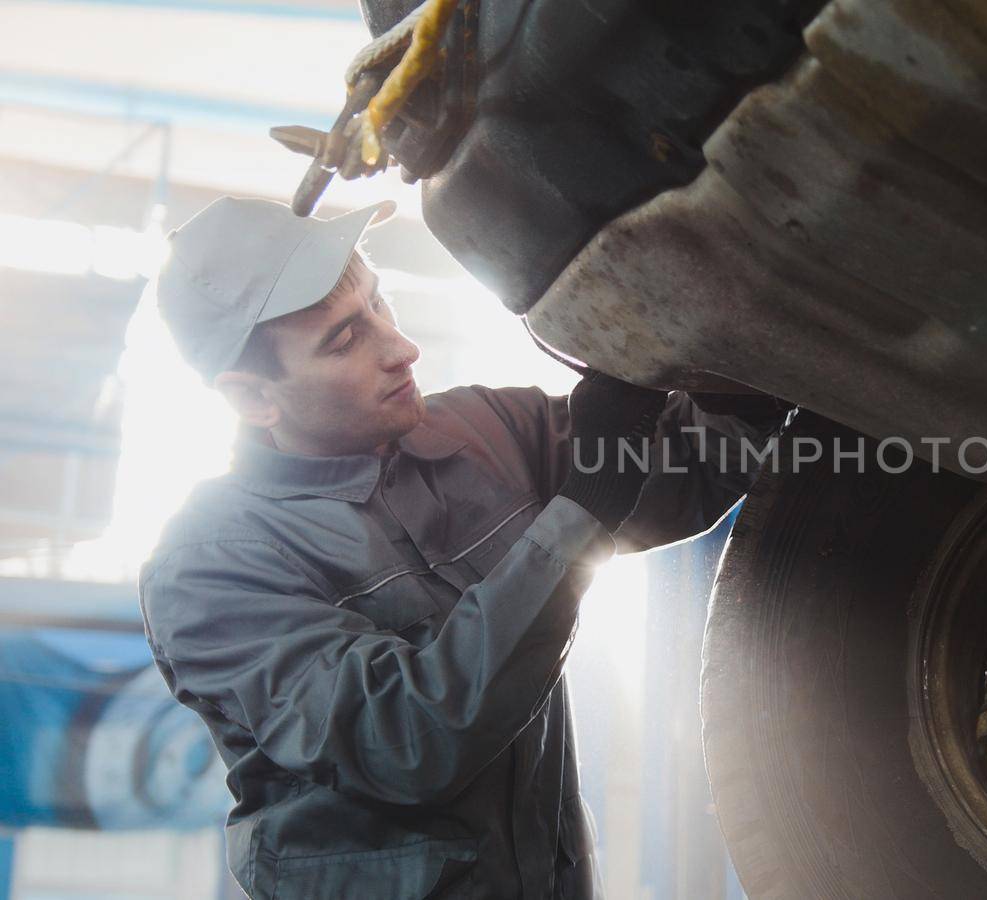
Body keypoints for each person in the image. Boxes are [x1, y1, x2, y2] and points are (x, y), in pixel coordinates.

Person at [137, 197, 784, 899]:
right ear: (253, 399)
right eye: (345, 339)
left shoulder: (484, 430)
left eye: (380, 304)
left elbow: (698, 462)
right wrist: (582, 511)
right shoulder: (210, 567)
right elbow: (409, 739)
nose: (399, 347)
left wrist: (728, 364)